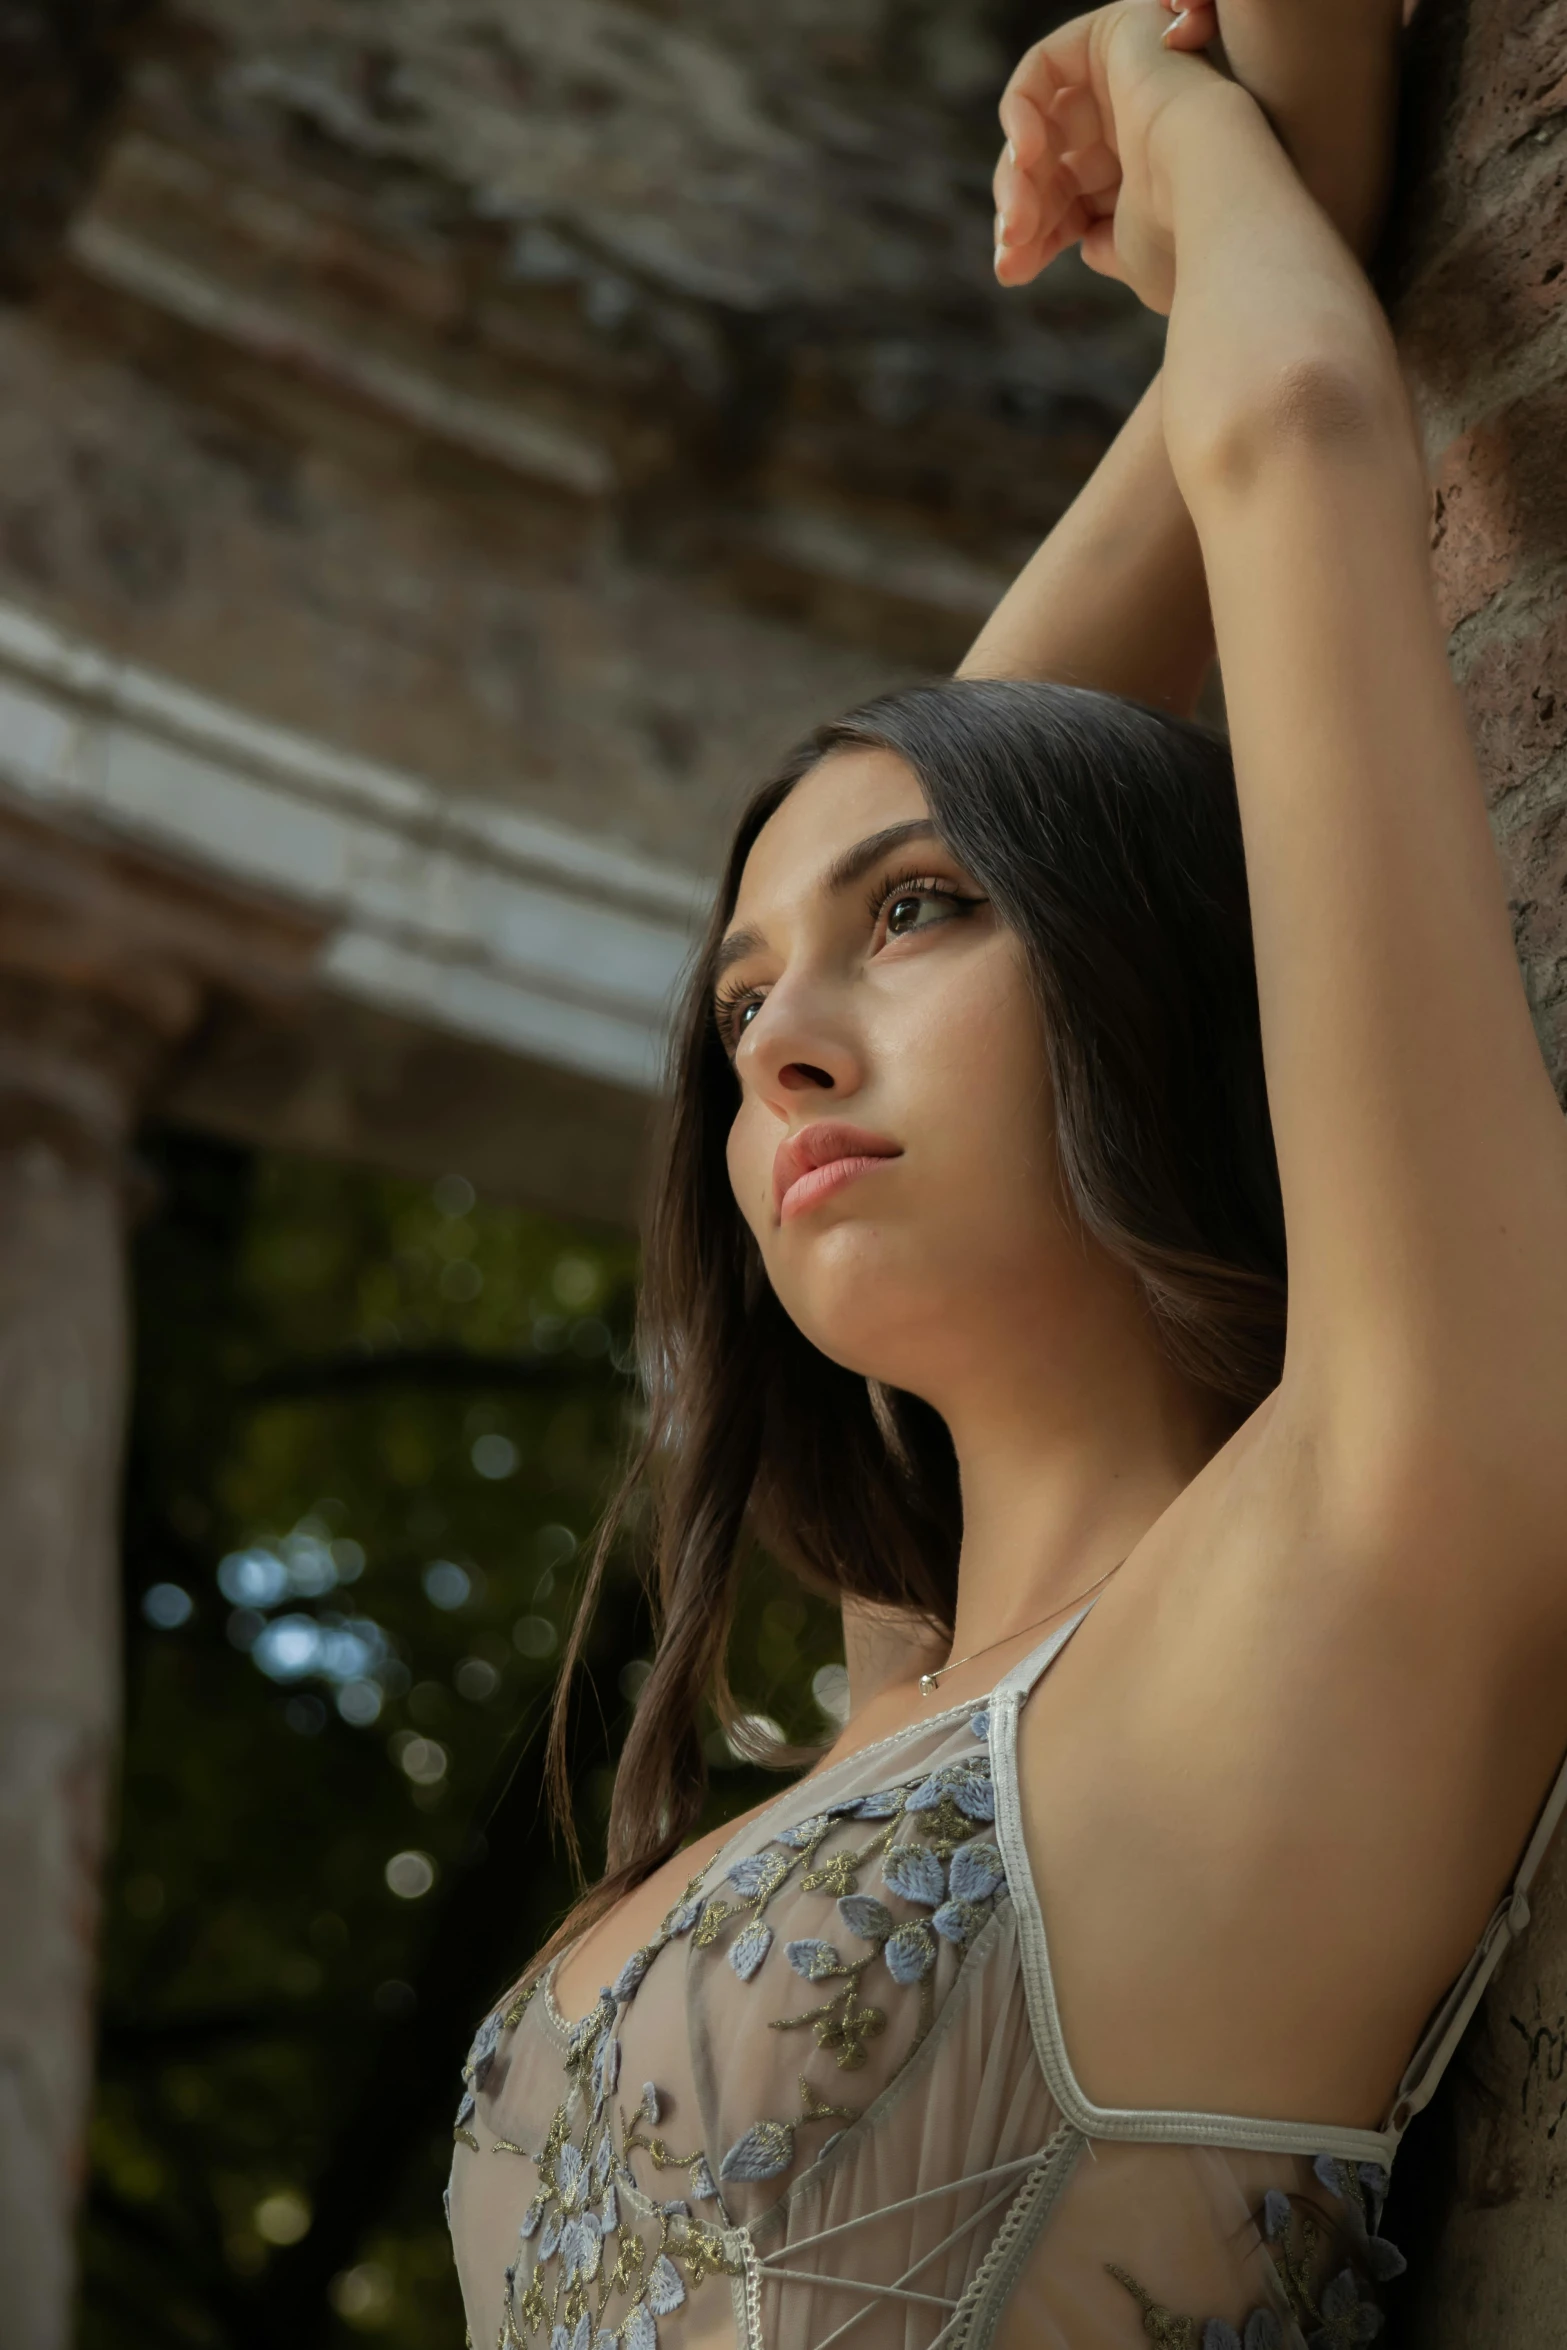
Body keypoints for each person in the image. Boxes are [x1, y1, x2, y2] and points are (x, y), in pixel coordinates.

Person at [447, 4, 1567, 2343]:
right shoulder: (924, 1700)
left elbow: (1300, 440)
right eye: (743, 1006)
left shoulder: (1363, 1539)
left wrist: (1185, 124)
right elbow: (995, 733)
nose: (780, 1044)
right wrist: (1274, 196)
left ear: (1147, 977)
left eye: (914, 920)